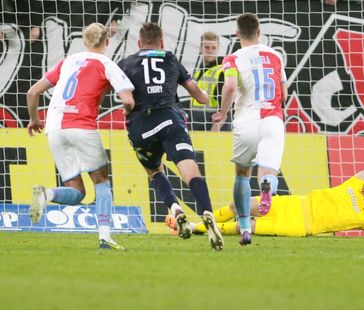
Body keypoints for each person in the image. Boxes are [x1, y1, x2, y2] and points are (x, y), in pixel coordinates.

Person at [27, 23, 135, 250]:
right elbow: (127, 99)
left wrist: (34, 119)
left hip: (54, 128)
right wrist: (128, 110)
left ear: (84, 41)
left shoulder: (68, 61)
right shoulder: (106, 63)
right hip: (82, 126)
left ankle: (47, 194)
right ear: (107, 41)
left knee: (77, 193)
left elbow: (33, 91)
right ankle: (105, 236)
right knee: (102, 183)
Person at [117, 22, 224, 251]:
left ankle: (174, 208)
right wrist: (205, 97)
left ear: (139, 43)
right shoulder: (170, 58)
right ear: (162, 42)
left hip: (141, 126)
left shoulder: (125, 64)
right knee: (190, 171)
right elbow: (198, 95)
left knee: (154, 170)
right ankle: (207, 212)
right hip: (169, 119)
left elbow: (126, 100)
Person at [166, 162, 364, 241]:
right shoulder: (353, 186)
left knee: (249, 225)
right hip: (292, 204)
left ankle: (193, 228)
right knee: (239, 205)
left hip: (299, 225)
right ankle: (198, 223)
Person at [211, 13, 288, 246]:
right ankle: (268, 187)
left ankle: (244, 227)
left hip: (247, 121)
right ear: (259, 33)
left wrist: (222, 112)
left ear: (237, 34)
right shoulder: (275, 56)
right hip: (273, 120)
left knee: (241, 175)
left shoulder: (232, 58)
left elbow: (231, 85)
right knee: (268, 173)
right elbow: (283, 93)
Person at [188, 31, 229, 132]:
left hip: (214, 128)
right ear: (200, 48)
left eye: (213, 48)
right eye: (207, 47)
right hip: (198, 126)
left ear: (218, 49)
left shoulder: (222, 71)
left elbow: (226, 109)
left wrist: (213, 135)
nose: (210, 51)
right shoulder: (199, 72)